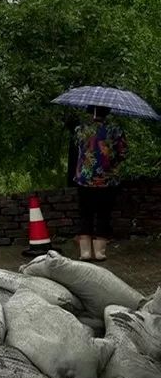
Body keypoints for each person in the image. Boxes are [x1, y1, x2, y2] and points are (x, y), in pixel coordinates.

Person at [73, 106, 127, 262]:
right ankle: (100, 253)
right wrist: (112, 162)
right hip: (107, 180)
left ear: (91, 112)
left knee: (85, 214)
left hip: (84, 179)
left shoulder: (80, 129)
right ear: (107, 112)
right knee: (104, 214)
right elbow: (123, 153)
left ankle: (85, 253)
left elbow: (79, 149)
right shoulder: (115, 130)